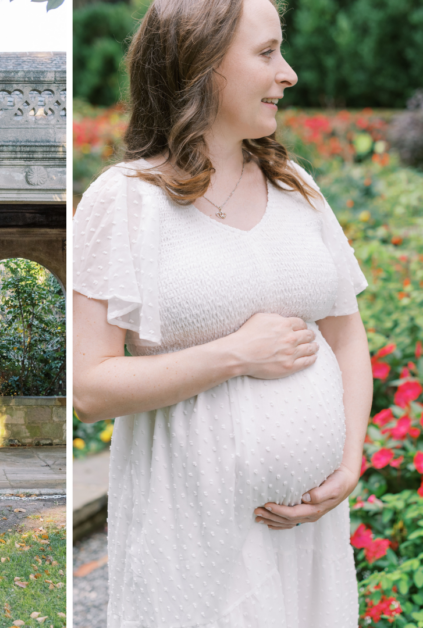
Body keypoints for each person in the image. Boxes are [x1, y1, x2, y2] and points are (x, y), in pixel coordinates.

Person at [72, 0, 371, 626]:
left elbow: (346, 337)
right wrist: (234, 354)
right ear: (203, 65)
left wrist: (348, 464)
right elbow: (89, 386)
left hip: (310, 534)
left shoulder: (298, 186)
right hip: (194, 532)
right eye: (266, 53)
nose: (288, 74)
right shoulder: (125, 202)